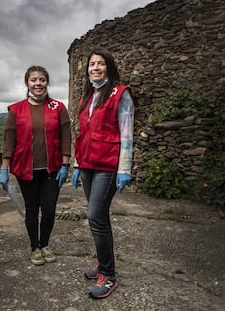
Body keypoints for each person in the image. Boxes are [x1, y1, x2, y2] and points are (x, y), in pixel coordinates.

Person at [71, 48, 134, 299]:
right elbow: (82, 134)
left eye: (101, 64)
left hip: (108, 166)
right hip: (87, 165)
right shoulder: (87, 97)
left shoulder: (121, 94)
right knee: (100, 218)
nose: (95, 68)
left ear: (109, 66)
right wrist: (77, 165)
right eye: (92, 64)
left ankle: (108, 275)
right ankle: (102, 260)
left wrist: (125, 169)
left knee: (95, 215)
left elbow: (127, 133)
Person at [0, 65, 71, 266]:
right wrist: (4, 168)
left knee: (48, 210)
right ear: (27, 83)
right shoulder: (16, 109)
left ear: (47, 82)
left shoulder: (58, 107)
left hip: (53, 170)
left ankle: (45, 244)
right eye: (34, 80)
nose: (38, 83)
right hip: (25, 169)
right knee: (32, 210)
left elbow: (66, 137)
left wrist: (66, 163)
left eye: (42, 79)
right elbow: (9, 140)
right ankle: (34, 247)